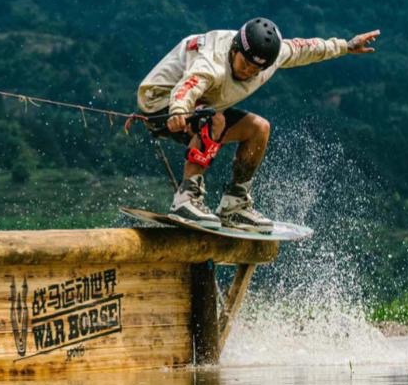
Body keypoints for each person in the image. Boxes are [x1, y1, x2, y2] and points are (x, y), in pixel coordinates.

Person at [136, 18, 380, 231]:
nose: (249, 71)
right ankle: (186, 199)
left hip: (201, 103)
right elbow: (189, 85)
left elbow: (305, 48)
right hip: (160, 104)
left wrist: (346, 46)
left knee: (259, 129)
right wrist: (178, 111)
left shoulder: (269, 57)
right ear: (235, 49)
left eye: (257, 69)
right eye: (245, 63)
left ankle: (234, 202)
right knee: (216, 119)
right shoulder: (213, 61)